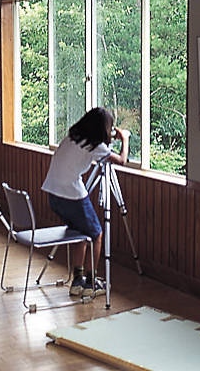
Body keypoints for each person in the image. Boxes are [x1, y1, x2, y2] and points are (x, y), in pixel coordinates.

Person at [41, 107, 130, 297]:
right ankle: (91, 283)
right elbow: (121, 160)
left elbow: (81, 157)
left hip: (54, 194)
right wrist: (125, 138)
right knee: (96, 235)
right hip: (71, 194)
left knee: (79, 235)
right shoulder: (96, 146)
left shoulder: (72, 138)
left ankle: (77, 280)